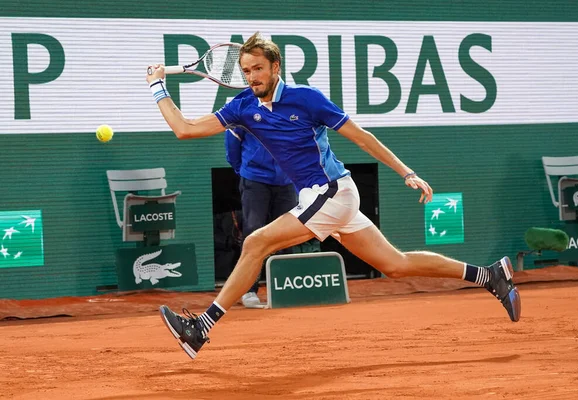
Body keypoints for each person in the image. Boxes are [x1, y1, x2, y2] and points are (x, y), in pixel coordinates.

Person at [147, 32, 521, 360]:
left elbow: (362, 137)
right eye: (246, 71)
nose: (252, 77)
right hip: (321, 198)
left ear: (275, 66)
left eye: (258, 69)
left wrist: (406, 171)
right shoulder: (243, 106)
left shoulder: (307, 99)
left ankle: (201, 328)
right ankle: (489, 275)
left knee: (256, 242)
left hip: (333, 192)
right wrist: (158, 88)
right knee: (396, 264)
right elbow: (185, 128)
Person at [225, 127, 297, 308]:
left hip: (287, 180)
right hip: (255, 180)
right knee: (253, 231)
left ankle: (286, 288)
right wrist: (243, 169)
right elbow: (232, 140)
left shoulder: (292, 105)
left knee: (288, 233)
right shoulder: (245, 105)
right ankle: (248, 290)